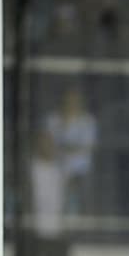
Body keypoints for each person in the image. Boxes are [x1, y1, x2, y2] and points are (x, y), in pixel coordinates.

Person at [17, 129, 70, 256]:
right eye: (43, 142)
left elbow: (65, 200)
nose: (48, 147)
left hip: (55, 231)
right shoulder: (30, 169)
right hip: (34, 229)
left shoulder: (59, 171)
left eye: (50, 142)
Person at [44, 86, 97, 215]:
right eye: (67, 100)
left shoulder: (87, 121)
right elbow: (46, 145)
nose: (70, 103)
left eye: (74, 100)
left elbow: (88, 147)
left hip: (80, 172)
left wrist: (63, 147)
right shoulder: (53, 119)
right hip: (54, 170)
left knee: (79, 208)